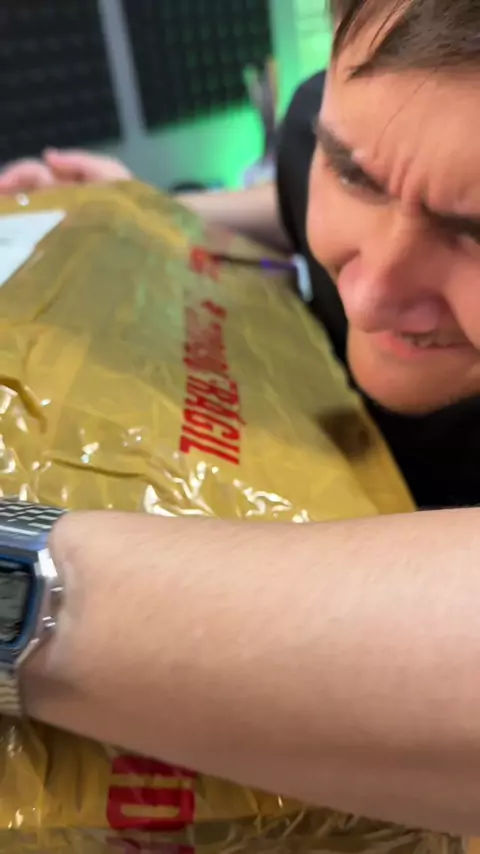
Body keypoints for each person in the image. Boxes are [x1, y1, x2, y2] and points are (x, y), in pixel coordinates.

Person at [3, 0, 480, 835]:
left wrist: (24, 600)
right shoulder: (325, 112)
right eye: (355, 175)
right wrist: (149, 208)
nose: (369, 297)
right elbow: (298, 181)